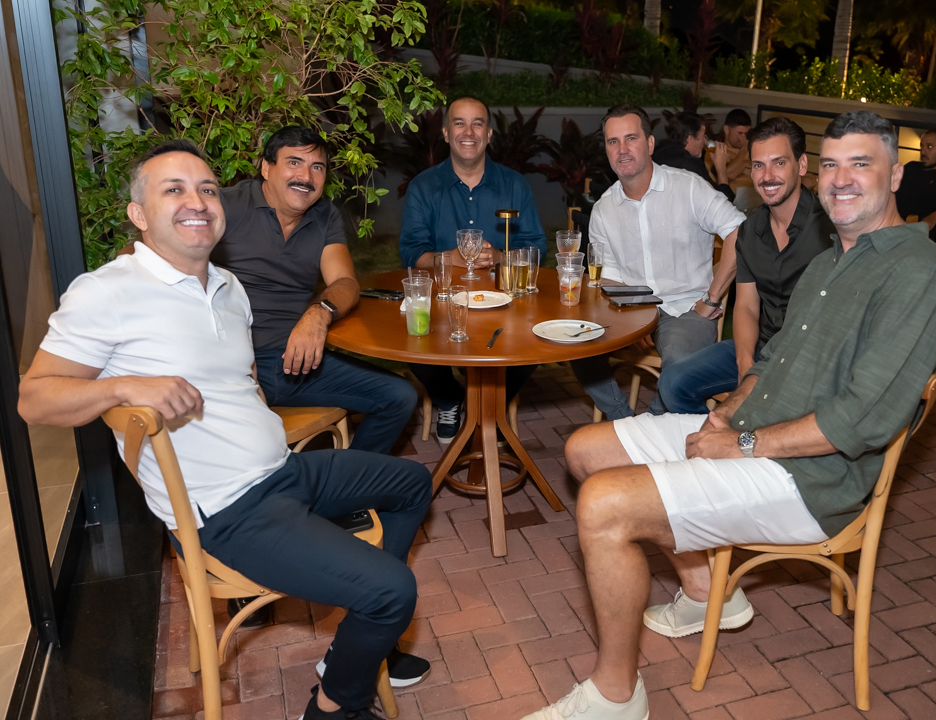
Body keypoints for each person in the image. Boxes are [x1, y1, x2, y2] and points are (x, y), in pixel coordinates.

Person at [521, 111, 936, 720]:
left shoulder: (920, 273)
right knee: (585, 449)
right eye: (833, 165)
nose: (841, 180)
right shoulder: (831, 261)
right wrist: (730, 410)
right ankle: (706, 592)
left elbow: (861, 421)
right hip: (760, 433)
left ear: (895, 177)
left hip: (813, 477)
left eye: (861, 164)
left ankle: (616, 696)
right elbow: (772, 358)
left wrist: (743, 442)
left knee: (603, 504)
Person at [18, 141, 435, 720]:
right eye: (174, 190)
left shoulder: (228, 287)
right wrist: (123, 387)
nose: (197, 201)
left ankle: (355, 644)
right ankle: (334, 707)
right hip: (228, 511)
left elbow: (245, 383)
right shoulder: (107, 291)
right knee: (392, 589)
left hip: (283, 471)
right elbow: (34, 398)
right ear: (139, 214)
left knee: (412, 483)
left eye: (207, 189)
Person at [208, 125, 417, 456]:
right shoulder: (225, 206)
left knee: (399, 396)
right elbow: (151, 255)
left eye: (317, 167)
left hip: (294, 360)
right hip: (231, 366)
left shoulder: (324, 215)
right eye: (294, 162)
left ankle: (351, 481)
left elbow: (345, 283)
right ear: (266, 167)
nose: (306, 176)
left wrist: (319, 314)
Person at [570, 105, 745, 420]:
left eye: (631, 138)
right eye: (613, 141)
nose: (622, 149)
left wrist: (712, 298)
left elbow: (738, 231)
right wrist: (631, 320)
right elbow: (608, 277)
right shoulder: (604, 209)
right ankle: (622, 419)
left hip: (687, 309)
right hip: (631, 309)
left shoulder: (688, 187)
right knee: (574, 340)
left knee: (680, 371)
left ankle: (653, 424)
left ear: (650, 144)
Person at [658, 117, 834, 413]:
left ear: (802, 165)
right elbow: (747, 307)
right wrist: (744, 363)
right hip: (760, 347)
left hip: (809, 359)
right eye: (758, 165)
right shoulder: (750, 231)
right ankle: (715, 437)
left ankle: (733, 436)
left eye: (779, 163)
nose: (767, 176)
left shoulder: (830, 231)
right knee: (672, 383)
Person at [398, 96, 546, 442]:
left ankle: (493, 405)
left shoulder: (514, 185)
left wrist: (501, 257)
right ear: (446, 133)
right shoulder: (423, 187)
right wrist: (449, 257)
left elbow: (537, 246)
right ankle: (449, 398)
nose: (469, 132)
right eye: (459, 123)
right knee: (409, 336)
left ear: (489, 134)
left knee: (536, 340)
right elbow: (410, 252)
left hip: (504, 303)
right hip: (443, 302)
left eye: (477, 123)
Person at [652, 111, 735, 202]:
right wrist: (721, 167)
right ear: (690, 139)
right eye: (703, 136)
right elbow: (723, 201)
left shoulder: (657, 153)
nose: (705, 142)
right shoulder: (691, 164)